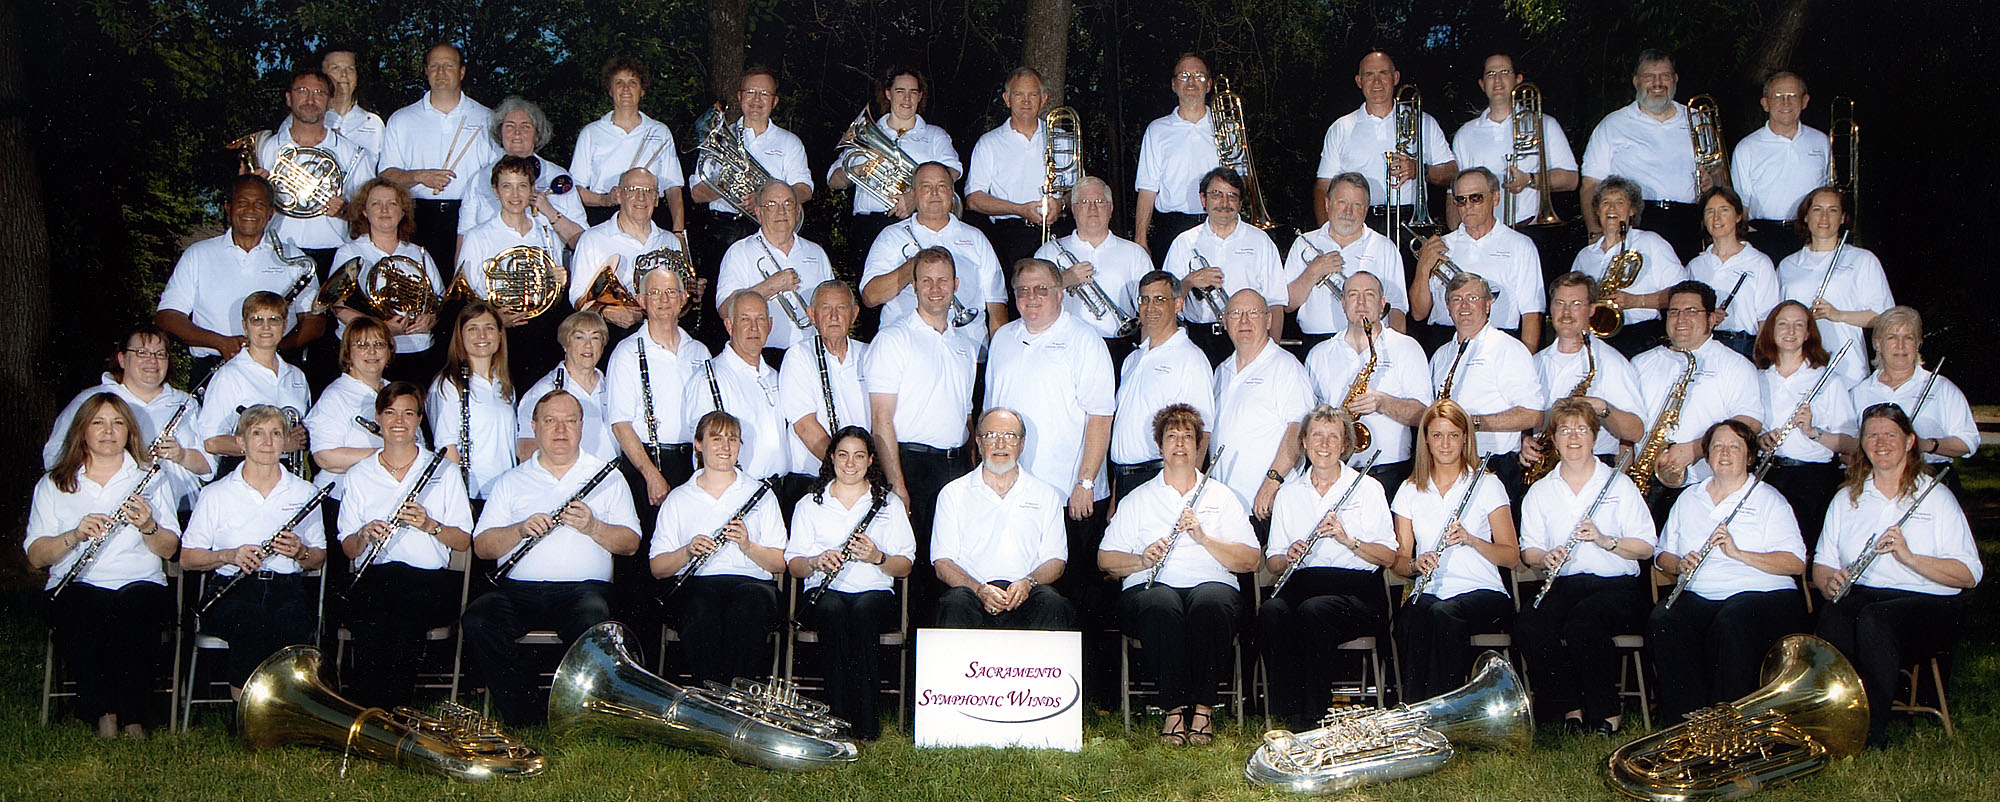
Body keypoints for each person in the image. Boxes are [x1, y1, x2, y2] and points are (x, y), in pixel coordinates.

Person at [463, 390, 640, 725]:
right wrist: (518, 530)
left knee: (593, 620)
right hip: (517, 591)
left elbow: (630, 543)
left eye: (569, 421)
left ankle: (578, 714)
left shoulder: (607, 477)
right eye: (550, 421)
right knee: (479, 619)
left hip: (584, 591)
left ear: (582, 426)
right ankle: (525, 713)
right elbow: (483, 546)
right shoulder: (512, 480)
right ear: (534, 426)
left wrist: (593, 526)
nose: (561, 429)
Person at [1813, 404, 1981, 749]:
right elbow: (1822, 564)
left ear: (1909, 442)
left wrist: (1910, 558)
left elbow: (1970, 575)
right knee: (1834, 615)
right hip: (1867, 595)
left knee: (1876, 619)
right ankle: (1835, 723)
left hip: (1931, 603)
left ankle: (1870, 734)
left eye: (1890, 434)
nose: (1881, 442)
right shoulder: (1847, 498)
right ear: (1862, 443)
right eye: (1872, 435)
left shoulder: (1936, 497)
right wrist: (1829, 582)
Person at [1099, 403, 1260, 746]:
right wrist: (1141, 560)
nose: (1180, 444)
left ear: (1199, 446)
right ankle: (1173, 710)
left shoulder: (1222, 496)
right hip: (1151, 586)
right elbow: (1105, 560)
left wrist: (1204, 538)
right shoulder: (1138, 499)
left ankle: (1203, 709)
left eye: (1188, 437)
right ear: (1160, 446)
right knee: (1160, 603)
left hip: (1212, 584)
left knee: (1211, 602)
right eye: (1172, 436)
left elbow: (1251, 561)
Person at [28, 394, 181, 737]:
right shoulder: (55, 483)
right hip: (77, 583)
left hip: (140, 579)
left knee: (136, 610)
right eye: (98, 423)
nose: (109, 431)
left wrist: (148, 526)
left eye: (118, 423)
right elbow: (36, 557)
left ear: (130, 431)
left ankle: (134, 717)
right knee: (83, 610)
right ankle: (104, 714)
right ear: (82, 431)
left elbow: (170, 549)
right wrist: (74, 535)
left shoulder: (151, 478)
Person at [1513, 398, 1655, 735]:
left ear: (1594, 436)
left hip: (1616, 588)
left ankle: (1606, 712)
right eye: (1565, 430)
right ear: (1554, 438)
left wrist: (1607, 541)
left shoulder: (1619, 484)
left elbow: (1647, 547)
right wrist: (1545, 557)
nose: (1573, 437)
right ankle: (1570, 709)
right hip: (1565, 584)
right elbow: (1529, 551)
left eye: (1581, 430)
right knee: (1529, 624)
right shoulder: (1541, 491)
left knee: (1584, 622)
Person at [1649, 420, 1807, 721]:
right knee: (1665, 620)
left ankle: (1728, 721)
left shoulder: (1768, 499)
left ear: (1749, 456)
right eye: (1717, 446)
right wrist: (1679, 564)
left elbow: (1795, 562)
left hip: (1763, 594)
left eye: (1734, 447)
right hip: (1702, 593)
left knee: (1732, 620)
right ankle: (1686, 722)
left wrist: (1739, 554)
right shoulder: (1689, 498)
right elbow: (1662, 555)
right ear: (1707, 455)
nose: (1724, 453)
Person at [1258, 406, 1395, 731]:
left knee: (1315, 611)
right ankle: (1289, 711)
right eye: (1317, 435)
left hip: (1358, 593)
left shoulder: (1367, 488)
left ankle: (1312, 716)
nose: (1324, 444)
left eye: (1333, 437)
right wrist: (1289, 557)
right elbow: (1273, 561)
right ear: (1304, 441)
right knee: (1272, 612)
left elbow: (1389, 556)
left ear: (1345, 445)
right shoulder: (1289, 493)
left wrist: (1349, 540)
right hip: (1303, 586)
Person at [180, 404, 329, 701]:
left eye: (276, 434)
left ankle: (282, 710)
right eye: (257, 433)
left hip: (287, 588)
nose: (267, 442)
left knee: (290, 626)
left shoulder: (304, 492)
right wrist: (228, 555)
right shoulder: (216, 493)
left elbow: (319, 558)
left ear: (286, 441)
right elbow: (188, 558)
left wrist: (300, 551)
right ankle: (247, 711)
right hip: (231, 588)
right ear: (241, 442)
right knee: (251, 622)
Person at [337, 382, 472, 708]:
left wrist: (429, 525)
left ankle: (394, 713)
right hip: (375, 576)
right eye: (390, 413)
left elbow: (463, 540)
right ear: (378, 418)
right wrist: (363, 534)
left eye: (408, 413)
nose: (399, 421)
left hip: (428, 580)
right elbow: (348, 548)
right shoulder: (359, 474)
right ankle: (369, 713)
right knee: (369, 618)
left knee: (404, 620)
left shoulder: (443, 471)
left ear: (419, 420)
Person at [985, 259, 1116, 587]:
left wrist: (1085, 483)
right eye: (1023, 290)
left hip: (1069, 496)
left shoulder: (1085, 340)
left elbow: (1100, 417)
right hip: (1012, 492)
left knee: (1070, 593)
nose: (1032, 297)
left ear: (1060, 294)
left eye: (1041, 289)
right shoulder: (1002, 339)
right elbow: (990, 416)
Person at [785, 426, 916, 741]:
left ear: (870, 460)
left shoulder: (888, 503)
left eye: (859, 456)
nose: (850, 463)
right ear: (832, 457)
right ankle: (837, 719)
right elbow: (794, 566)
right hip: (824, 591)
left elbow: (905, 566)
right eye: (843, 455)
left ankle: (866, 722)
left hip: (875, 593)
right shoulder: (809, 504)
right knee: (832, 612)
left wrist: (877, 557)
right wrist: (816, 560)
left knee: (863, 612)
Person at [1392, 399, 1517, 702]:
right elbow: (1399, 562)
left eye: (1453, 435)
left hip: (1484, 592)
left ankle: (1444, 713)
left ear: (1465, 438)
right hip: (1432, 590)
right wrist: (1415, 564)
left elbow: (1511, 556)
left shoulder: (1487, 484)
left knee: (1444, 614)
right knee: (1409, 619)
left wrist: (1472, 540)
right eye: (1437, 435)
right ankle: (1413, 710)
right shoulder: (1409, 489)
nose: (1445, 444)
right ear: (1426, 440)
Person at [650, 411, 787, 686]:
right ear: (698, 444)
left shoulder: (761, 494)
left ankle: (738, 698)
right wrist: (687, 551)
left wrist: (747, 545)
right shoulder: (679, 498)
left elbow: (779, 564)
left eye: (732, 439)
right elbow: (658, 568)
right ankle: (712, 697)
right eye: (717, 438)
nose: (726, 446)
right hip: (697, 583)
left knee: (749, 606)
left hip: (752, 584)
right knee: (699, 607)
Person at [864, 247, 979, 573]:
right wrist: (897, 486)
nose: (935, 288)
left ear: (956, 284)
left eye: (943, 280)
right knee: (917, 566)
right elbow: (881, 419)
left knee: (955, 560)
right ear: (913, 286)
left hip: (956, 468)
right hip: (911, 466)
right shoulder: (893, 339)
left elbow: (966, 416)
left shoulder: (965, 346)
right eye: (926, 280)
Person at [156, 175, 325, 384]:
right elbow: (167, 316)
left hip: (276, 365)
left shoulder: (295, 258)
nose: (250, 210)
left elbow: (315, 322)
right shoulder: (198, 254)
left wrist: (271, 347)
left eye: (259, 204)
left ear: (271, 212)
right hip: (213, 369)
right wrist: (220, 342)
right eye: (242, 202)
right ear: (228, 207)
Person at [691, 66, 813, 342]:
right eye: (751, 92)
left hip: (769, 234)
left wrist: (764, 197)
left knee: (768, 307)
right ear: (740, 96)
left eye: (764, 94)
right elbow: (697, 193)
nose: (757, 100)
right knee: (718, 314)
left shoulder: (789, 143)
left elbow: (804, 190)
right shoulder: (717, 139)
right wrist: (724, 186)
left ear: (775, 101)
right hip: (722, 232)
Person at [931, 408, 1076, 630]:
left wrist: (1028, 583)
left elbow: (1056, 561)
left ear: (1022, 443)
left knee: (1052, 603)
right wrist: (979, 590)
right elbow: (943, 563)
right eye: (991, 436)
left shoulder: (1046, 494)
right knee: (953, 604)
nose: (1000, 444)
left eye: (1010, 436)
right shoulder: (953, 493)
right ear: (979, 442)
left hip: (1026, 594)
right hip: (973, 595)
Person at [43, 326, 213, 508]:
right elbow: (55, 456)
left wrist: (181, 455)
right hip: (110, 510)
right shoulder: (91, 399)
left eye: (160, 354)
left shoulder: (186, 402)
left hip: (182, 509)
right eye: (142, 352)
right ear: (122, 359)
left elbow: (209, 466)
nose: (152, 360)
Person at [1304, 271, 1433, 496]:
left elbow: (1425, 415)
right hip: (1334, 471)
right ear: (1343, 304)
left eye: (1369, 294)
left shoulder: (1407, 348)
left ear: (1382, 304)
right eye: (1353, 295)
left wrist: (1382, 403)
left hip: (1390, 471)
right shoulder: (1319, 354)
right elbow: (1308, 419)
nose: (1361, 302)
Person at [1579, 49, 1712, 260]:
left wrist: (1711, 180)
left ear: (1675, 79)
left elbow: (1719, 175)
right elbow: (1590, 185)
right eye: (1649, 76)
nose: (1657, 83)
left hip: (1688, 222)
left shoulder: (1698, 120)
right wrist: (1595, 234)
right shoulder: (1612, 125)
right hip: (1635, 221)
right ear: (1636, 81)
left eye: (1664, 76)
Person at [860, 162, 1007, 353]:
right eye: (926, 187)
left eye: (941, 186)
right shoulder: (892, 236)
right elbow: (870, 297)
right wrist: (915, 266)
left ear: (952, 192)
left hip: (968, 350)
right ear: (914, 194)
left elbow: (997, 304)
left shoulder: (976, 238)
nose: (935, 193)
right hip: (907, 350)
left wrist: (998, 357)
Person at [1638, 281, 1766, 496]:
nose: (1681, 319)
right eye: (1674, 312)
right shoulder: (1641, 362)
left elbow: (1750, 422)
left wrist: (1694, 449)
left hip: (1704, 484)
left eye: (1691, 311)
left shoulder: (1735, 365)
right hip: (1644, 479)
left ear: (1711, 319)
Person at [605, 266, 711, 523]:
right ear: (641, 301)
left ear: (683, 298)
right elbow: (620, 424)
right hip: (649, 465)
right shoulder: (626, 352)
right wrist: (650, 474)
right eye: (654, 293)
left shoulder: (699, 351)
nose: (664, 299)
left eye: (671, 292)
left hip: (694, 464)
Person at [1426, 274, 1544, 503]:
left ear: (1488, 305)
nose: (1464, 305)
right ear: (1448, 308)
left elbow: (1533, 414)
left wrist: (1474, 424)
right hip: (1446, 463)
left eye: (1473, 298)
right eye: (1457, 299)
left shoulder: (1508, 349)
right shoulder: (1441, 355)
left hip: (1493, 463)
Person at [378, 44, 495, 271]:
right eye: (434, 66)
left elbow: (498, 177)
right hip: (416, 217)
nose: (441, 72)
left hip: (472, 217)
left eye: (448, 66)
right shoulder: (402, 119)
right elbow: (386, 176)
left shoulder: (487, 118)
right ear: (426, 71)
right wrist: (419, 176)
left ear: (462, 72)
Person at [456, 154, 572, 379]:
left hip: (542, 327)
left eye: (522, 186)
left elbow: (553, 289)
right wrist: (496, 318)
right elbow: (469, 293)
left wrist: (558, 280)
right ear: (495, 190)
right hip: (499, 330)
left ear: (532, 190)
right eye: (507, 186)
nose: (515, 194)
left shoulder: (546, 233)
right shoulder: (477, 236)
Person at [1754, 301, 1858, 549]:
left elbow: (1852, 444)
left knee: (1806, 549)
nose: (1790, 331)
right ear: (1771, 330)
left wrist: (1813, 432)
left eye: (1798, 325)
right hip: (1767, 476)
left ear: (1808, 333)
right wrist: (1759, 440)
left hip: (1812, 481)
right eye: (1783, 324)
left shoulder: (1828, 380)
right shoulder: (1757, 378)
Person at [1313, 51, 1456, 231]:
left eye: (1383, 73)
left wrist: (1420, 170)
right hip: (1358, 220)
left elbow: (1452, 173)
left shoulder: (1423, 122)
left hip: (1410, 221)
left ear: (1395, 77)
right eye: (1369, 74)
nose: (1377, 81)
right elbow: (1323, 186)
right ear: (1359, 81)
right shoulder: (1340, 128)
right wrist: (1327, 235)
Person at [833, 66, 961, 265]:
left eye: (913, 92)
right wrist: (858, 170)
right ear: (888, 94)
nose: (907, 99)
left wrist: (915, 197)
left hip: (918, 222)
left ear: (920, 96)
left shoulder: (935, 135)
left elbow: (952, 172)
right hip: (869, 226)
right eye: (900, 91)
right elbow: (833, 181)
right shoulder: (867, 133)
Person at [1520, 273, 1646, 474]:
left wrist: (1603, 408)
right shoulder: (1533, 363)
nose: (1566, 313)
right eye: (1560, 303)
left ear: (1592, 309)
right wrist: (1524, 439)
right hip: (1544, 469)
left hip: (1593, 467)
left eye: (1576, 304)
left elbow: (1636, 431)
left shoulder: (1612, 362)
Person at [1449, 53, 1579, 248]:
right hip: (1479, 236)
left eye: (1505, 72)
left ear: (1518, 79)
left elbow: (1571, 179)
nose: (1498, 80)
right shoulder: (1465, 134)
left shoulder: (1544, 124)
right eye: (1491, 74)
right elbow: (1453, 193)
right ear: (1482, 84)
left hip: (1531, 230)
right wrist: (1456, 239)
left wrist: (1530, 180)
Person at [1410, 168, 1547, 352]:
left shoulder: (1520, 245)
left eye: (1476, 198)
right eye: (1461, 200)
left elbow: (1532, 314)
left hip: (1499, 342)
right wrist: (1423, 267)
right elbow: (1418, 313)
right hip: (1445, 341)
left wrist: (1525, 360)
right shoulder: (1441, 245)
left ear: (1495, 198)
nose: (1468, 206)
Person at [257, 68, 375, 276]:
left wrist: (345, 211)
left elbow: (371, 210)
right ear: (288, 98)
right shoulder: (265, 149)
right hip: (276, 252)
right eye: (302, 91)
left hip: (332, 253)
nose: (310, 99)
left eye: (319, 93)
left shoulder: (353, 153)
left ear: (330, 102)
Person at [1160, 168, 1286, 363]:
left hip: (1248, 336)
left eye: (1232, 196)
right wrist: (1189, 281)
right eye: (1216, 194)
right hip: (1198, 338)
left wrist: (1271, 355)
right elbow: (1166, 302)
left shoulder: (1261, 241)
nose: (1224, 203)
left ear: (1240, 203)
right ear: (1203, 199)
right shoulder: (1183, 242)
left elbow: (1275, 303)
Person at [1110, 271, 1216, 497]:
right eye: (1144, 299)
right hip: (1125, 478)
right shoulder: (1132, 360)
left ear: (1178, 304)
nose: (1150, 307)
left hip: (1162, 479)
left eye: (1159, 299)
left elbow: (1202, 431)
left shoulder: (1191, 359)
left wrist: (1187, 493)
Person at [1211, 290, 1314, 521]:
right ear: (1225, 321)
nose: (1244, 320)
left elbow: (1298, 429)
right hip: (1227, 510)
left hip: (1267, 506)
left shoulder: (1286, 367)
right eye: (1236, 313)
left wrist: (1272, 482)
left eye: (1253, 313)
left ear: (1268, 320)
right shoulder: (1220, 372)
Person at [330, 178, 445, 383]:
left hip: (416, 349)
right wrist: (380, 329)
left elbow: (439, 301)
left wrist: (430, 318)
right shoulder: (349, 252)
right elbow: (338, 306)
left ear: (402, 212)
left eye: (392, 203)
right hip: (367, 352)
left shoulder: (419, 253)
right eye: (376, 204)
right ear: (364, 211)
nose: (384, 210)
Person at [1776, 187, 1890, 385]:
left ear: (1843, 217)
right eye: (1817, 209)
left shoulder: (1862, 260)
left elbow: (1883, 317)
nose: (1824, 217)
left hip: (1848, 369)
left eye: (1833, 210)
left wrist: (1838, 315)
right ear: (1805, 216)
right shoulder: (1787, 265)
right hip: (1798, 368)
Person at [1285, 173, 1410, 351]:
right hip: (1316, 342)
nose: (1348, 212)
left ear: (1366, 209)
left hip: (1370, 342)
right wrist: (1313, 272)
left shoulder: (1384, 247)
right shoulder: (1303, 243)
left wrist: (1395, 352)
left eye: (1357, 205)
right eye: (1342, 202)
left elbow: (1397, 308)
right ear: (1327, 204)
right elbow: (1287, 304)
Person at [1033, 176, 1152, 360]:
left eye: (1099, 202)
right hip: (1061, 348)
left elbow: (1150, 305)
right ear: (1073, 210)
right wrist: (1064, 280)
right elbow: (1032, 301)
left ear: (1111, 209)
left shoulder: (1135, 253)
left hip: (1117, 348)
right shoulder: (1048, 251)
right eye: (1084, 202)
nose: (1092, 208)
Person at [1568, 175, 1687, 357]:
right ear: (1597, 210)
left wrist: (1636, 301)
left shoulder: (1651, 242)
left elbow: (1683, 293)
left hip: (1641, 339)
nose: (1612, 208)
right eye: (1605, 202)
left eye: (1620, 202)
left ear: (1632, 210)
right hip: (1596, 340)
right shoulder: (1585, 256)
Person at [1849, 307, 1976, 478]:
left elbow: (1968, 442)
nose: (1900, 345)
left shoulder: (1941, 388)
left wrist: (1926, 445)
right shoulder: (1858, 393)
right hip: (1875, 478)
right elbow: (1847, 449)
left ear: (1918, 344)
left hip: (1930, 475)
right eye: (1892, 337)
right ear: (1878, 343)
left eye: (1908, 337)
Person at [193, 292, 313, 469]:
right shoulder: (229, 375)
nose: (266, 327)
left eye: (274, 320)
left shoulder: (296, 376)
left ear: (285, 325)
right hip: (244, 471)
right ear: (245, 326)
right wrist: (276, 447)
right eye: (257, 320)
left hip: (287, 474)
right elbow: (212, 442)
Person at [683, 292, 791, 488]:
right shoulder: (708, 379)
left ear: (770, 325)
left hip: (775, 491)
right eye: (744, 319)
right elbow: (702, 451)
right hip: (733, 490)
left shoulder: (775, 376)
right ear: (729, 325)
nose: (754, 327)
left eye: (760, 319)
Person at [717, 180, 835, 359]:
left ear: (798, 210)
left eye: (788, 204)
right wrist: (771, 286)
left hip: (810, 356)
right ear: (759, 212)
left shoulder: (816, 253)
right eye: (771, 205)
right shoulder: (739, 252)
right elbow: (725, 310)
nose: (781, 211)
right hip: (760, 357)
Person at [570, 57, 686, 232]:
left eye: (633, 82)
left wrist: (678, 231)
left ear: (642, 91)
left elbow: (672, 188)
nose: (626, 88)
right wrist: (605, 200)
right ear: (610, 90)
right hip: (604, 220)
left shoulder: (659, 132)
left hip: (649, 218)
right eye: (619, 82)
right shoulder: (591, 133)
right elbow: (574, 190)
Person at [456, 96, 587, 248]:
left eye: (525, 127)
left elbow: (583, 242)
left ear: (537, 135)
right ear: (500, 134)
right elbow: (465, 238)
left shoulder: (558, 177)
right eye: (509, 126)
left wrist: (549, 211)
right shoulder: (479, 179)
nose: (517, 133)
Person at [566, 167, 683, 337]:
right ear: (619, 195)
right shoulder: (592, 238)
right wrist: (606, 311)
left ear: (656, 199)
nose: (641, 197)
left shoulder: (670, 241)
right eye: (632, 190)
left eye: (648, 190)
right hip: (613, 331)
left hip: (663, 331)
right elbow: (578, 297)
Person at [777, 281, 869, 493]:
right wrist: (843, 470)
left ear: (854, 314)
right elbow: (805, 426)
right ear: (812, 314)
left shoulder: (869, 354)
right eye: (826, 308)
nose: (834, 316)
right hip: (810, 480)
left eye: (841, 308)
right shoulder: (798, 356)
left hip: (861, 479)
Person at [1730, 72, 1829, 262]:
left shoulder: (1822, 142)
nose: (1786, 102)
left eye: (1793, 96)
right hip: (1764, 237)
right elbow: (1742, 204)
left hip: (1810, 235)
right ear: (1765, 104)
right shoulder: (1747, 148)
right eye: (1778, 96)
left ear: (1805, 101)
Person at [429, 302, 517, 507]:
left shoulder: (504, 384)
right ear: (460, 336)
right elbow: (446, 447)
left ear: (500, 334)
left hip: (504, 492)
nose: (482, 336)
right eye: (472, 329)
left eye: (489, 328)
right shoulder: (448, 384)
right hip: (473, 495)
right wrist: (461, 499)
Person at [1134, 54, 1222, 259]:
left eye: (1199, 76)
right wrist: (1140, 239)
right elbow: (1147, 188)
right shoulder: (1157, 130)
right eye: (1184, 75)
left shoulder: (1226, 128)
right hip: (1171, 229)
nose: (1191, 81)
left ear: (1209, 85)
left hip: (1219, 223)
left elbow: (1241, 180)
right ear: (1174, 85)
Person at [964, 66, 1052, 268]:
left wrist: (1062, 204)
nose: (1026, 101)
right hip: (1009, 239)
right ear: (1007, 99)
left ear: (1043, 99)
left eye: (1033, 94)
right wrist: (1019, 210)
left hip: (1055, 232)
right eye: (1019, 94)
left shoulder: (1061, 139)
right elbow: (973, 199)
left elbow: (1076, 191)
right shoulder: (989, 143)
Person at [303, 319, 392, 509]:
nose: (372, 351)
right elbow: (325, 457)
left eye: (379, 344)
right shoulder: (335, 396)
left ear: (389, 351)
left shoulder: (395, 392)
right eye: (362, 345)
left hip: (384, 498)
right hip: (340, 500)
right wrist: (385, 455)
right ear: (348, 353)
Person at [1684, 186, 1780, 357]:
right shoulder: (1695, 265)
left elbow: (1766, 318)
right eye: (1710, 212)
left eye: (1724, 210)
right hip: (1703, 347)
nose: (1716, 218)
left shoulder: (1759, 262)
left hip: (1743, 346)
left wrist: (1760, 357)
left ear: (1738, 216)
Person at [514, 310, 616, 464]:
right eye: (579, 337)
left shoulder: (613, 387)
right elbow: (526, 451)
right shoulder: (543, 392)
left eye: (595, 338)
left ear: (602, 344)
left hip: (613, 475)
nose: (588, 345)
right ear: (565, 345)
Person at [319, 47, 385, 159]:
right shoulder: (310, 120)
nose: (344, 74)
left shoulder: (374, 124)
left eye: (350, 69)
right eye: (335, 68)